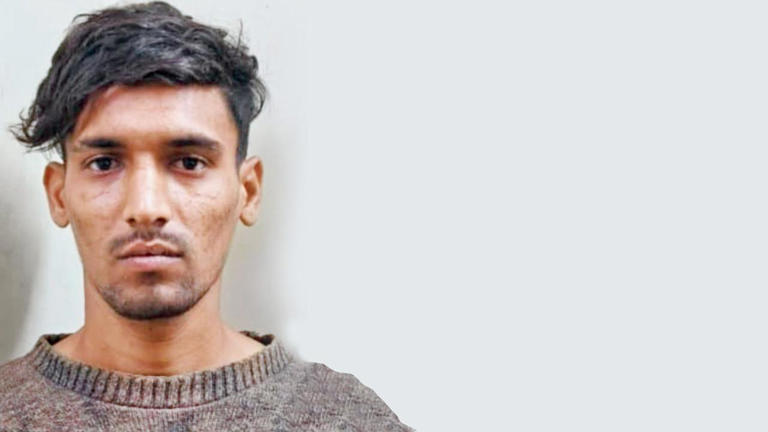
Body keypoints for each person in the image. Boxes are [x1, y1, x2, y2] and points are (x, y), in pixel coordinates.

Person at [0, 2, 413, 431]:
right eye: (104, 163)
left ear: (248, 191)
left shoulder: (346, 421)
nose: (146, 207)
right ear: (58, 194)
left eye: (189, 162)